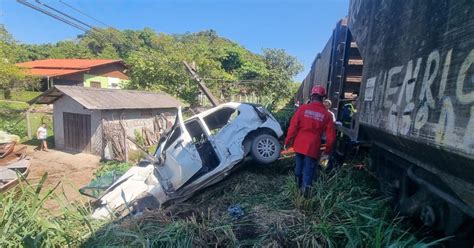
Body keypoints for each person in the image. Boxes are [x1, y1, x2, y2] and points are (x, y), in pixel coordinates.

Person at [284, 86, 336, 197]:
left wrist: (288, 141)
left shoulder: (302, 109)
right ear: (323, 98)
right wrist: (327, 151)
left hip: (299, 144)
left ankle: (297, 190)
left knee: (298, 168)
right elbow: (331, 137)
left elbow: (293, 127)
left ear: (312, 96)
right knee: (308, 172)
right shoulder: (327, 115)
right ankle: (305, 197)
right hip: (313, 146)